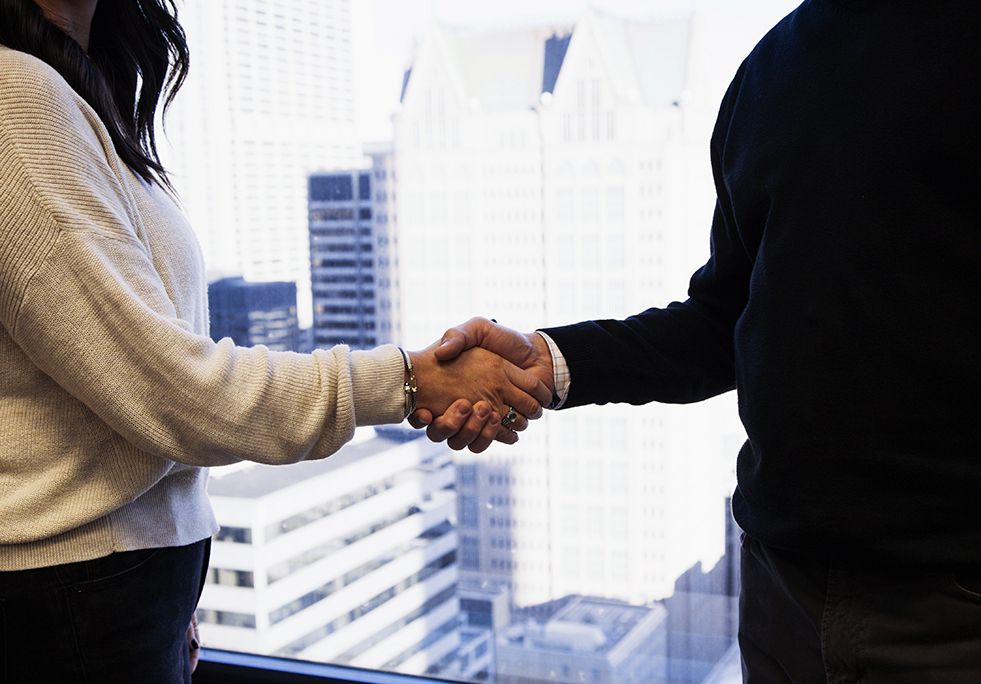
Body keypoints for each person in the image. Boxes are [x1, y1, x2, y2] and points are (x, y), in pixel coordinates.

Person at [414, 0, 981, 681]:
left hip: (949, 599)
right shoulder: (775, 65)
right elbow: (724, 320)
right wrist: (548, 362)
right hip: (780, 587)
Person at [0, 1, 548, 682]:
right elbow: (174, 394)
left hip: (105, 600)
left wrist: (168, 595)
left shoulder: (70, 91)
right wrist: (411, 381)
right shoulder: (13, 97)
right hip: (67, 610)